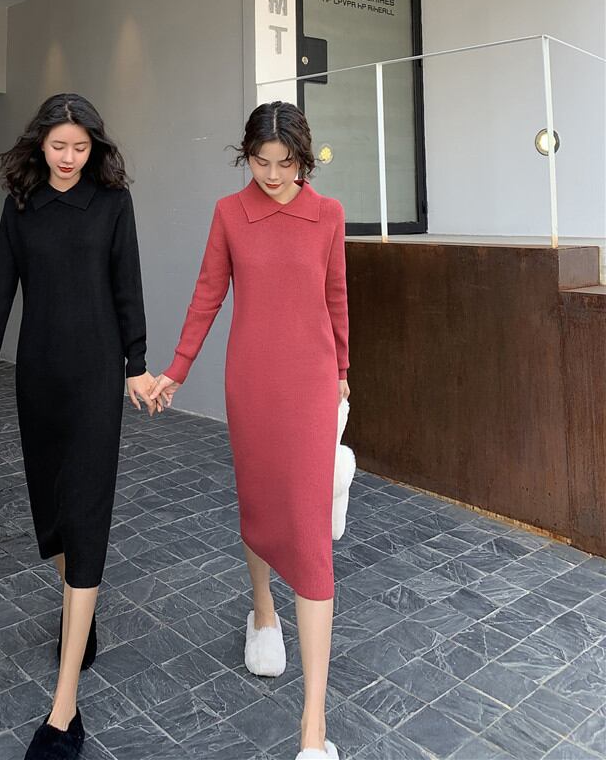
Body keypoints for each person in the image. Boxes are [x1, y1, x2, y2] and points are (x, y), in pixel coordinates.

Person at [0, 93, 159, 760]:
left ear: (94, 147)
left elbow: (128, 285)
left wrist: (136, 364)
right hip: (38, 381)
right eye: (58, 146)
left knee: (87, 515)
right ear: (39, 145)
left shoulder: (112, 204)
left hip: (96, 382)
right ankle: (81, 604)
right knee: (54, 519)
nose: (69, 158)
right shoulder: (22, 207)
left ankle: (64, 711)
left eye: (79, 147)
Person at [150, 101, 349, 760]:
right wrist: (177, 370)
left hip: (311, 385)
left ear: (302, 158)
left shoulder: (328, 215)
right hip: (253, 384)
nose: (272, 175)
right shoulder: (230, 214)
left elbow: (336, 296)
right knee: (259, 504)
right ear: (248, 158)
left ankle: (313, 727)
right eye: (261, 162)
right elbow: (208, 293)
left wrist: (343, 370)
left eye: (284, 164)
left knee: (311, 538)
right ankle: (262, 610)